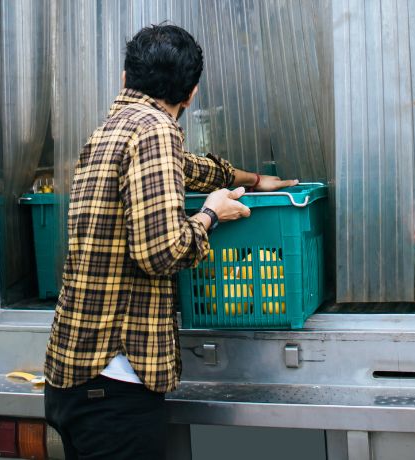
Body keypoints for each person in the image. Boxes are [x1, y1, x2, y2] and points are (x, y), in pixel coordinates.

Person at [43, 24, 298, 459]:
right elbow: (161, 251)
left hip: (76, 377)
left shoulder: (111, 130)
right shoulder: (156, 130)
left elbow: (186, 168)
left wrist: (253, 180)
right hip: (116, 384)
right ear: (192, 93)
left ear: (126, 78)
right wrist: (212, 214)